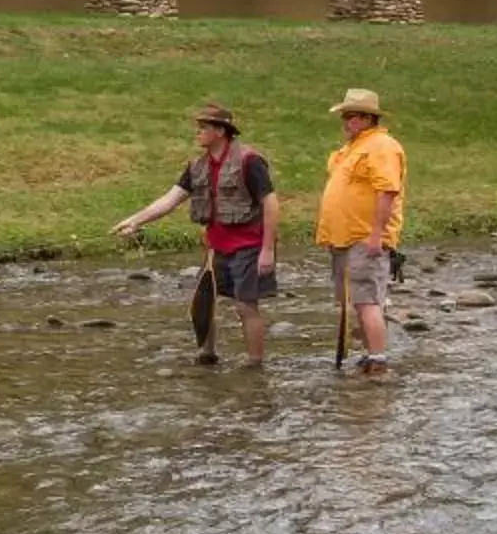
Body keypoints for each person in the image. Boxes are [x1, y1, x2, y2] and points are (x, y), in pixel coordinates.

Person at [113, 102, 281, 367]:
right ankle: (207, 353)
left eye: (204, 127)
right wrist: (135, 221)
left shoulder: (249, 161)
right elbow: (170, 199)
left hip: (250, 245)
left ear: (221, 132)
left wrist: (267, 250)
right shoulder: (197, 166)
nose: (198, 132)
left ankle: (254, 363)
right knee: (202, 302)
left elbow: (270, 203)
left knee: (245, 306)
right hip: (216, 247)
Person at [318, 87, 407, 375]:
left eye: (353, 117)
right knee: (357, 299)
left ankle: (378, 358)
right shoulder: (353, 148)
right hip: (343, 236)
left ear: (369, 118)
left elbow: (387, 191)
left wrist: (376, 235)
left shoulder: (382, 146)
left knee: (367, 299)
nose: (347, 122)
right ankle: (371, 353)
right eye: (345, 116)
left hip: (363, 236)